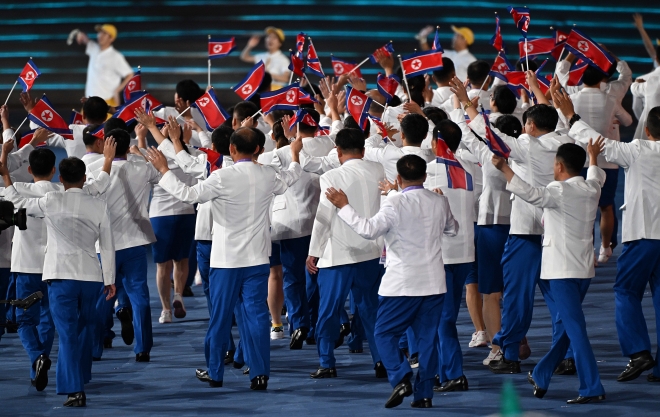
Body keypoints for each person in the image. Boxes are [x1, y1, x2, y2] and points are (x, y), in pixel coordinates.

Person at [145, 127, 301, 390]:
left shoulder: (222, 177)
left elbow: (189, 195)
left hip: (226, 260)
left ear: (231, 149)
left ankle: (215, 372)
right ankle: (260, 373)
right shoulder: (267, 175)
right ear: (259, 151)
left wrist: (164, 171)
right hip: (257, 259)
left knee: (220, 317)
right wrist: (295, 155)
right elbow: (291, 177)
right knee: (257, 316)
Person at [324, 154, 456, 408]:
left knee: (383, 333)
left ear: (397, 178)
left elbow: (368, 229)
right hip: (433, 283)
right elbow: (452, 229)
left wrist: (344, 206)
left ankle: (401, 375)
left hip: (402, 285)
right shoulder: (438, 201)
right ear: (425, 177)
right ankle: (424, 394)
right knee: (428, 340)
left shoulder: (394, 204)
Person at [463, 73, 575, 374]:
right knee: (560, 298)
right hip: (560, 232)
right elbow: (550, 120)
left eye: (526, 123)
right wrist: (539, 92)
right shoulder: (567, 139)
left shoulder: (527, 144)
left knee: (517, 297)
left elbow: (491, 137)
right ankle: (568, 354)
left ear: (530, 126)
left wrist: (466, 104)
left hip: (526, 233)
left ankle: (510, 353)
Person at [494, 138, 606, 404]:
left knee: (575, 330)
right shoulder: (592, 189)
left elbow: (531, 193)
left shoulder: (559, 190)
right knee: (570, 328)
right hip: (582, 270)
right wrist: (593, 158)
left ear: (558, 166)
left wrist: (505, 169)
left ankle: (592, 387)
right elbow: (595, 176)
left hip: (560, 271)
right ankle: (542, 373)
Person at [1, 155, 116, 407]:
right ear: (84, 178)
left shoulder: (51, 200)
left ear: (60, 178)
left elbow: (17, 201)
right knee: (84, 327)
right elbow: (107, 246)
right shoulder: (98, 205)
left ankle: (74, 390)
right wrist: (109, 279)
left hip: (61, 276)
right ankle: (83, 375)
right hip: (90, 277)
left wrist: (6, 176)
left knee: (66, 333)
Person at [560, 94, 660, 383]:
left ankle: (638, 352)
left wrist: (571, 117)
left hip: (642, 234)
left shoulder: (638, 149)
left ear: (648, 131)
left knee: (626, 291)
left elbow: (598, 141)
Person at [305, 128, 385, 380]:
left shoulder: (330, 176)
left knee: (328, 312)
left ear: (337, 151)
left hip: (338, 255)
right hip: (371, 253)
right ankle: (382, 360)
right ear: (363, 149)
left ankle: (327, 362)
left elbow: (323, 218)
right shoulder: (378, 170)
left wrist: (313, 252)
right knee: (372, 311)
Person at [447, 77, 511, 367]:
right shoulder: (532, 156)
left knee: (489, 293)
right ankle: (516, 341)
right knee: (515, 292)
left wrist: (462, 102)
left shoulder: (490, 156)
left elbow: (468, 132)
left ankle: (498, 349)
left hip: (489, 227)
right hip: (523, 228)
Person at [86, 128, 160, 362]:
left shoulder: (93, 169)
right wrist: (138, 152)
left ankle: (96, 347)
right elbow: (161, 176)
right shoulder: (142, 167)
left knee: (102, 297)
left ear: (106, 145)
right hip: (135, 243)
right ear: (128, 146)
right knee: (139, 297)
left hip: (104, 246)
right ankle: (143, 348)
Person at [422, 121, 475, 393]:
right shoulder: (469, 170)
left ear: (435, 143)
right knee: (445, 317)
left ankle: (454, 374)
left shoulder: (429, 172)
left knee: (441, 318)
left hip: (440, 254)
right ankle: (442, 371)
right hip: (465, 252)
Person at [563, 55, 632, 263]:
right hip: (607, 159)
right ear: (602, 79)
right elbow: (628, 120)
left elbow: (561, 76)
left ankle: (588, 253)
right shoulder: (611, 97)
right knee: (607, 206)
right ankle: (605, 249)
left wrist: (568, 58)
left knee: (585, 209)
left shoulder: (572, 99)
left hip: (580, 160)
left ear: (581, 77)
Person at [70, 24, 134, 106]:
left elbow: (130, 74)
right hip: (89, 100)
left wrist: (117, 90)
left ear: (111, 38)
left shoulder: (116, 56)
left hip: (106, 102)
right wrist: (80, 34)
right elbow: (85, 39)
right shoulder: (94, 48)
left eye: (104, 33)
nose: (100, 35)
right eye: (100, 32)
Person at [631, 46, 660, 141]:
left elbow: (636, 107)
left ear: (656, 58)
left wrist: (649, 122)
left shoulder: (647, 80)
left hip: (650, 132)